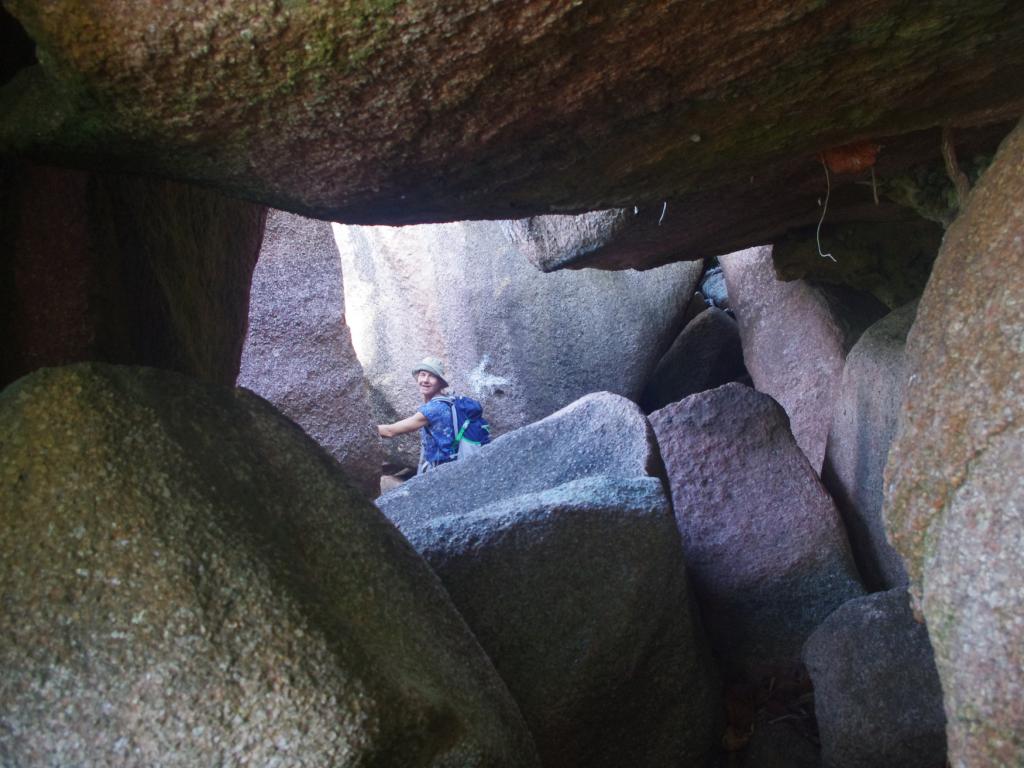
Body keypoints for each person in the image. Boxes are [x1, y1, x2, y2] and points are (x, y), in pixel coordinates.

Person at [377, 356, 459, 474]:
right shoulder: (447, 399)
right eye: (423, 374)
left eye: (432, 376)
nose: (425, 380)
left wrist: (364, 429)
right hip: (450, 464)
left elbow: (390, 431)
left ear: (440, 383)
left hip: (443, 470)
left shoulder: (434, 408)